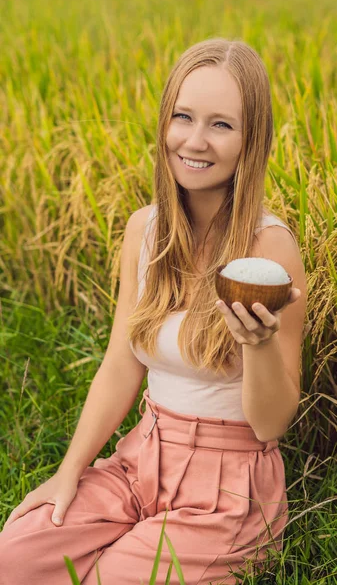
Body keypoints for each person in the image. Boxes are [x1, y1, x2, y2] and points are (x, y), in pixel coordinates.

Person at [0, 37, 307, 585]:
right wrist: (69, 472)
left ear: (250, 139)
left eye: (221, 125)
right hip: (142, 457)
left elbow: (272, 422)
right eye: (182, 116)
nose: (194, 140)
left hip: (229, 486)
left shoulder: (270, 248)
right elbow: (122, 363)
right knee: (15, 557)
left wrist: (258, 346)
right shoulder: (145, 231)